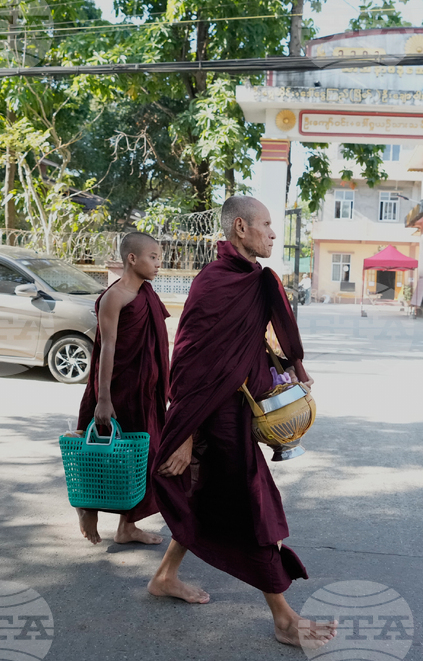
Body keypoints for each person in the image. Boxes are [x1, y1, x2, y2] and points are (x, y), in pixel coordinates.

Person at [147, 196, 337, 649]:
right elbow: (190, 362)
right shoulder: (213, 283)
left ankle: (165, 574)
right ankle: (284, 619)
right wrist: (188, 435)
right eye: (266, 225)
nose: (274, 233)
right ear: (240, 228)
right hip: (212, 417)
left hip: (237, 409)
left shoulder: (253, 279)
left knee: (209, 500)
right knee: (253, 509)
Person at [74, 232, 170, 546]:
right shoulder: (114, 297)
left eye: (159, 257)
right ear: (132, 258)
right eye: (153, 257)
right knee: (102, 454)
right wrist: (103, 399)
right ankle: (87, 507)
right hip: (116, 390)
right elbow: (107, 348)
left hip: (145, 392)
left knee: (141, 458)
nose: (159, 263)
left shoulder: (147, 293)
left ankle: (127, 527)